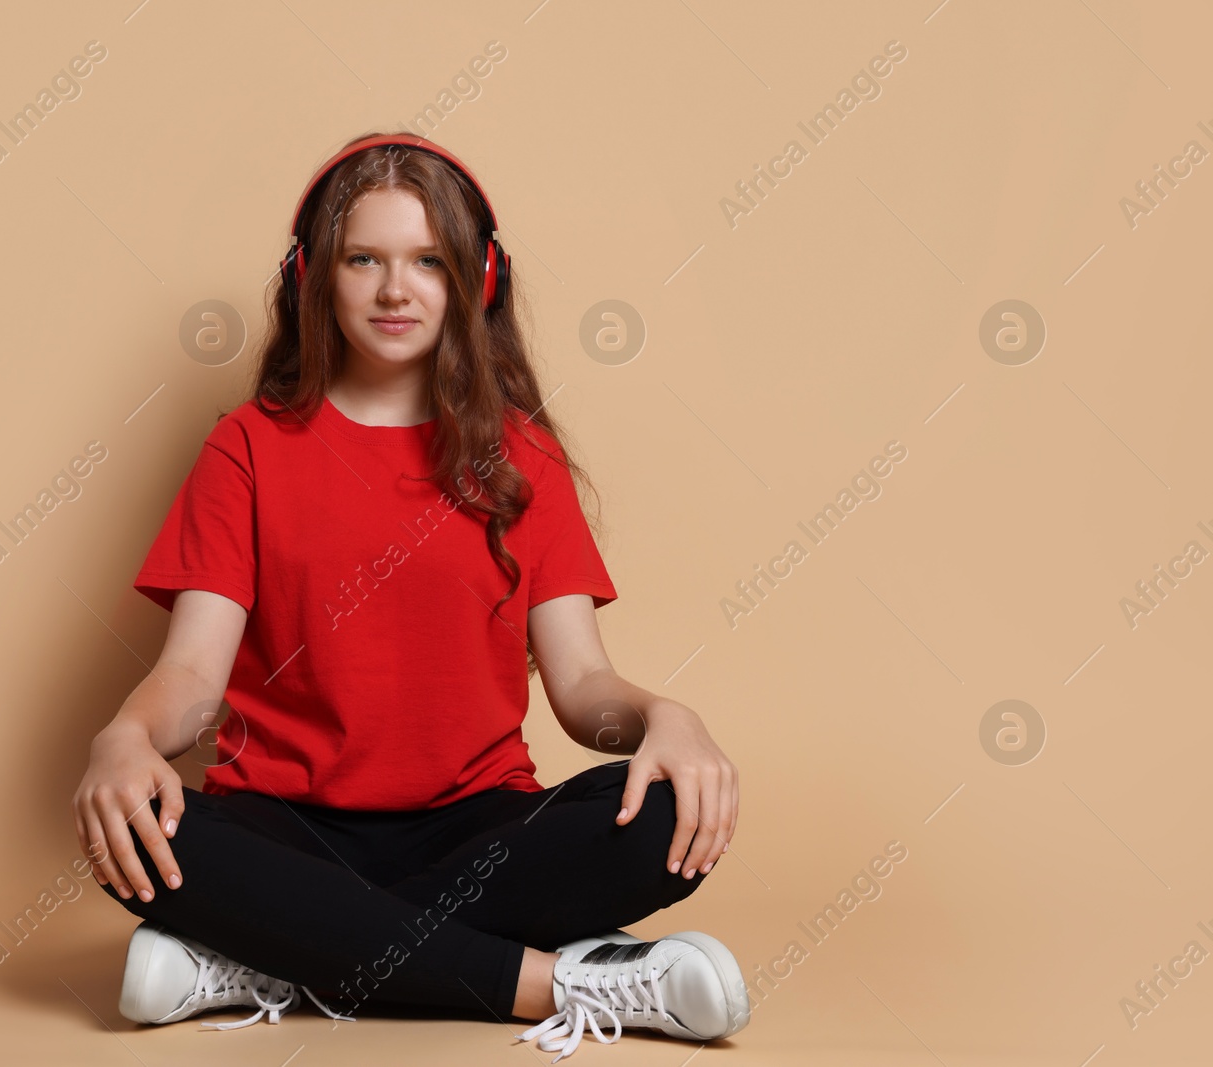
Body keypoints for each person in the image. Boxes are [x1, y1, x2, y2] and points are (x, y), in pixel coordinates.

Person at [71, 131, 749, 1061]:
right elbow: (191, 674)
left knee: (661, 815)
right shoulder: (248, 447)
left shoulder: (524, 457)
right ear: (314, 275)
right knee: (143, 825)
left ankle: (275, 958)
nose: (397, 290)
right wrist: (124, 737)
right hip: (289, 826)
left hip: (477, 828)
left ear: (478, 279)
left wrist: (665, 716)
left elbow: (583, 685)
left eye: (429, 260)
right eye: (365, 259)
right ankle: (573, 982)